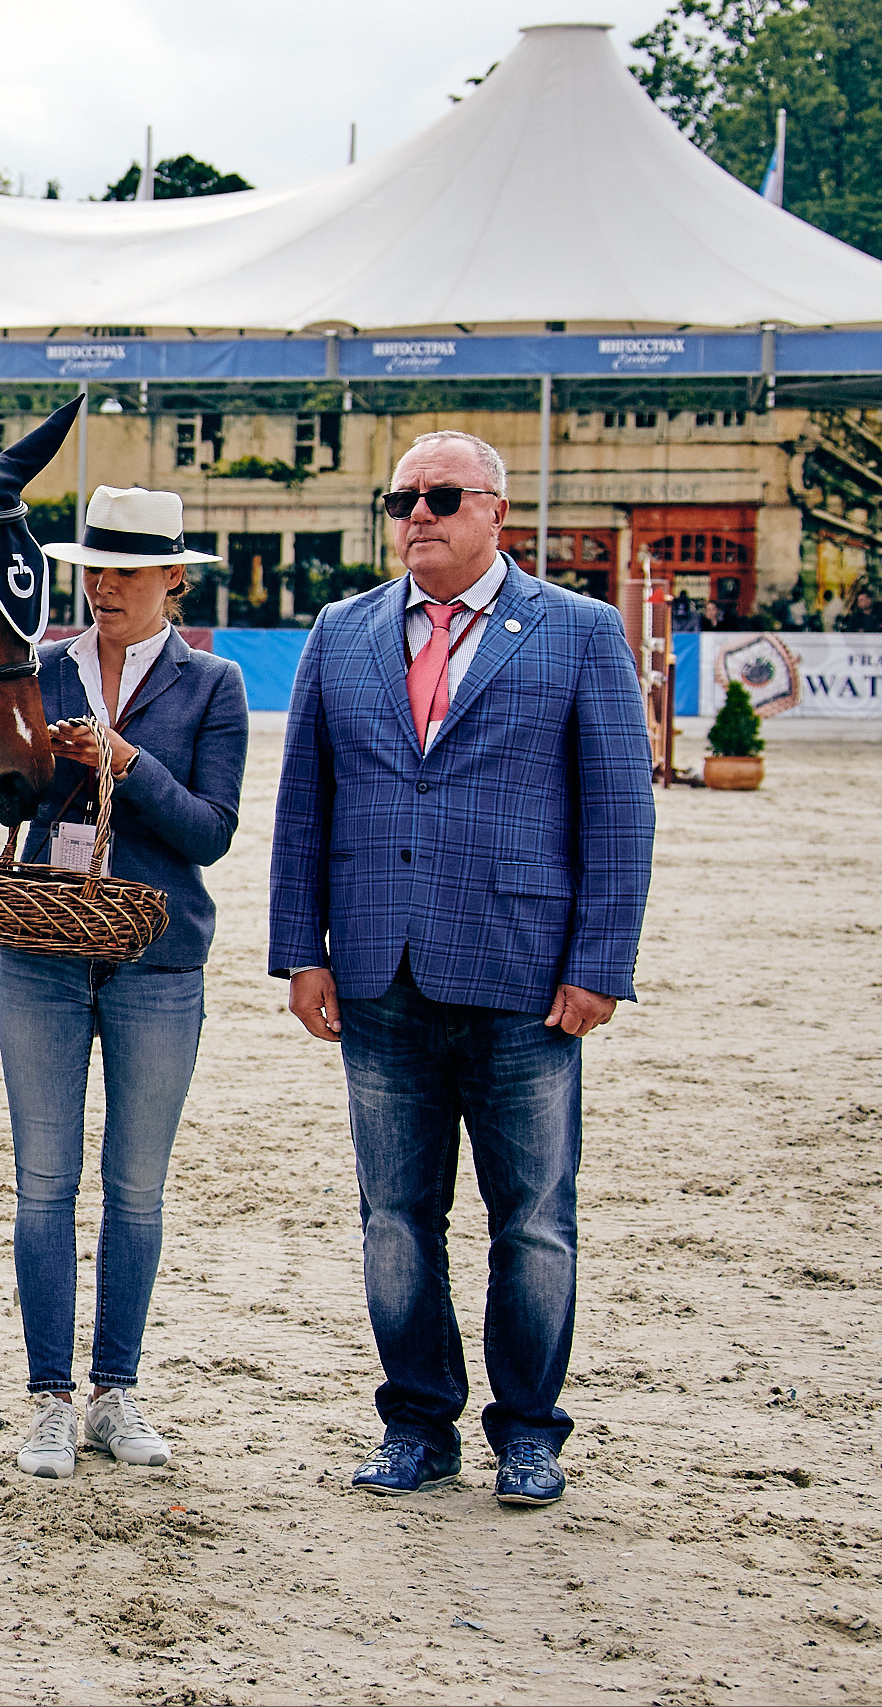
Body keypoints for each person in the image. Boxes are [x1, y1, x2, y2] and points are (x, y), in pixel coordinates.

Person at [271, 429, 654, 1509]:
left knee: (532, 1220)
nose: (417, 516)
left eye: (441, 496)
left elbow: (620, 811)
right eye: (401, 499)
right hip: (377, 972)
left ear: (495, 511)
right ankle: (416, 1424)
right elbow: (304, 804)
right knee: (394, 1218)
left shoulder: (580, 630)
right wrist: (300, 950)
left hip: (527, 978)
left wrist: (600, 962)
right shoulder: (340, 631)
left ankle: (529, 1432)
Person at [0, 486, 245, 1482]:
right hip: (41, 950)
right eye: (94, 569)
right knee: (43, 1185)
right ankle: (50, 1401)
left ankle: (115, 1390)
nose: (104, 586)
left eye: (126, 571)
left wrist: (127, 762)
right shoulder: (42, 668)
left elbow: (210, 833)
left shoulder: (215, 685)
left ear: (171, 579)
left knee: (135, 1191)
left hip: (160, 960)